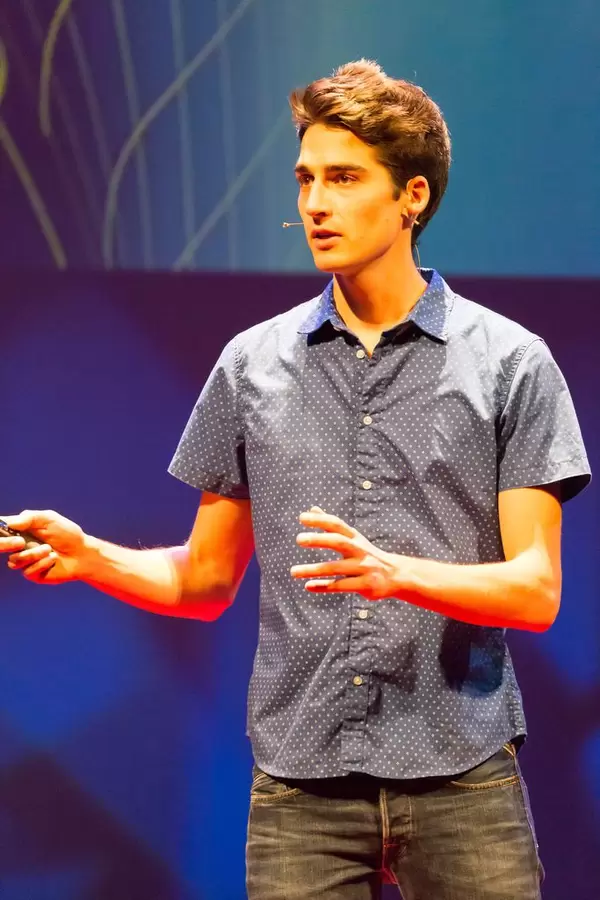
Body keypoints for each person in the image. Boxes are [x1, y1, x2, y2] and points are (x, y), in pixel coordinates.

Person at [0, 60, 591, 899]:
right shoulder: (251, 366)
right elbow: (205, 581)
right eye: (306, 178)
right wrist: (89, 554)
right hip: (302, 790)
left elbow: (537, 592)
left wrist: (394, 575)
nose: (315, 203)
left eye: (345, 179)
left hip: (462, 777)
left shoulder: (509, 364)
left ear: (411, 197)